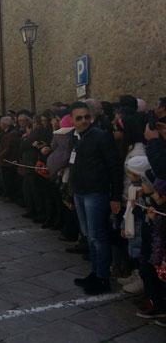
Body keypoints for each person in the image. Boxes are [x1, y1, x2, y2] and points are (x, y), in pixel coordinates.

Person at [69, 101, 123, 295]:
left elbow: (115, 167)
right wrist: (71, 192)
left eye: (86, 117)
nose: (84, 121)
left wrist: (116, 195)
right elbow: (73, 165)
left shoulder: (101, 137)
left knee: (98, 236)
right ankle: (95, 272)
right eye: (79, 118)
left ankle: (103, 278)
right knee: (89, 235)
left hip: (96, 193)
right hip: (80, 193)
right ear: (73, 120)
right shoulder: (75, 138)